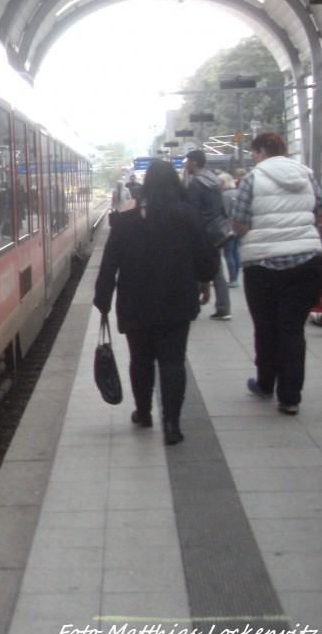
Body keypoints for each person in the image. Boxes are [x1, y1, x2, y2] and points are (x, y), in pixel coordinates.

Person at [94, 160, 217, 445]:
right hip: (177, 301)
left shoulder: (126, 220)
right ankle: (172, 424)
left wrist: (103, 299)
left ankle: (144, 412)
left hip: (135, 301)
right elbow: (207, 261)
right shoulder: (187, 215)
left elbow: (109, 263)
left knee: (140, 360)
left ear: (147, 185)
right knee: (173, 361)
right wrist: (202, 280)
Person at [230, 132, 322, 415]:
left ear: (261, 151)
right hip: (306, 261)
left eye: (254, 153)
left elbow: (239, 224)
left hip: (262, 265)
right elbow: (318, 213)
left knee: (266, 327)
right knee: (292, 329)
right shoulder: (307, 175)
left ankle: (265, 383)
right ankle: (290, 398)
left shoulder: (253, 179)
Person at [184, 149, 232, 320]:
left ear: (194, 162)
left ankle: (192, 305)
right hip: (217, 230)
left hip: (203, 231)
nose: (185, 164)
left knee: (196, 267)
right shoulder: (215, 181)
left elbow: (193, 211)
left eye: (187, 161)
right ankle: (224, 307)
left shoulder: (196, 185)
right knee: (216, 268)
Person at [218, 171, 241, 287]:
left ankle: (232, 278)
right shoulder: (237, 192)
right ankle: (236, 276)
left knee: (228, 253)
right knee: (235, 252)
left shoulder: (224, 195)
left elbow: (226, 212)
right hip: (238, 225)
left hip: (228, 227)